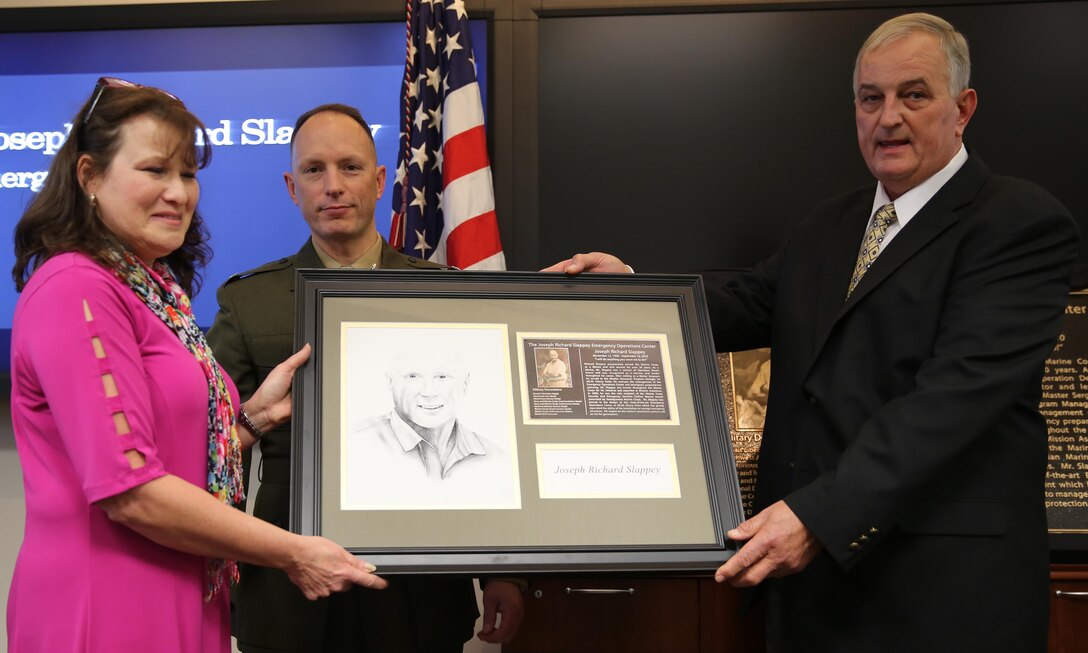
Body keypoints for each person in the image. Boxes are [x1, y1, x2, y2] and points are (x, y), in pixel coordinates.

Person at [545, 13, 1079, 651]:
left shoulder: (1019, 223)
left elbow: (954, 400)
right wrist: (629, 288)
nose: (888, 118)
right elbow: (746, 302)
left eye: (914, 95)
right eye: (870, 98)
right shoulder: (832, 224)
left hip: (941, 598)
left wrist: (822, 517)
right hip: (811, 592)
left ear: (963, 108)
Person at [6, 79, 386, 653]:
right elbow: (131, 491)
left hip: (182, 586)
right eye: (155, 170)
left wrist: (251, 421)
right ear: (88, 177)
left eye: (187, 174)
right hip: (111, 605)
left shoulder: (149, 291)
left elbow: (170, 456)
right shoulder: (74, 288)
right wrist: (294, 551)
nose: (178, 193)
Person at [206, 103, 523, 652]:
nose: (333, 186)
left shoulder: (446, 292)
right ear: (291, 186)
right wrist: (222, 569)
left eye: (350, 168)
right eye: (314, 170)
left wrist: (504, 572)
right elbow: (214, 449)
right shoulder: (248, 300)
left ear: (379, 182)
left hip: (417, 593)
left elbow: (490, 436)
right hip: (286, 590)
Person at [344, 343, 516, 509]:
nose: (429, 392)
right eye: (413, 376)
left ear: (466, 383)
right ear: (389, 382)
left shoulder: (498, 459)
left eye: (442, 376)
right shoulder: (353, 445)